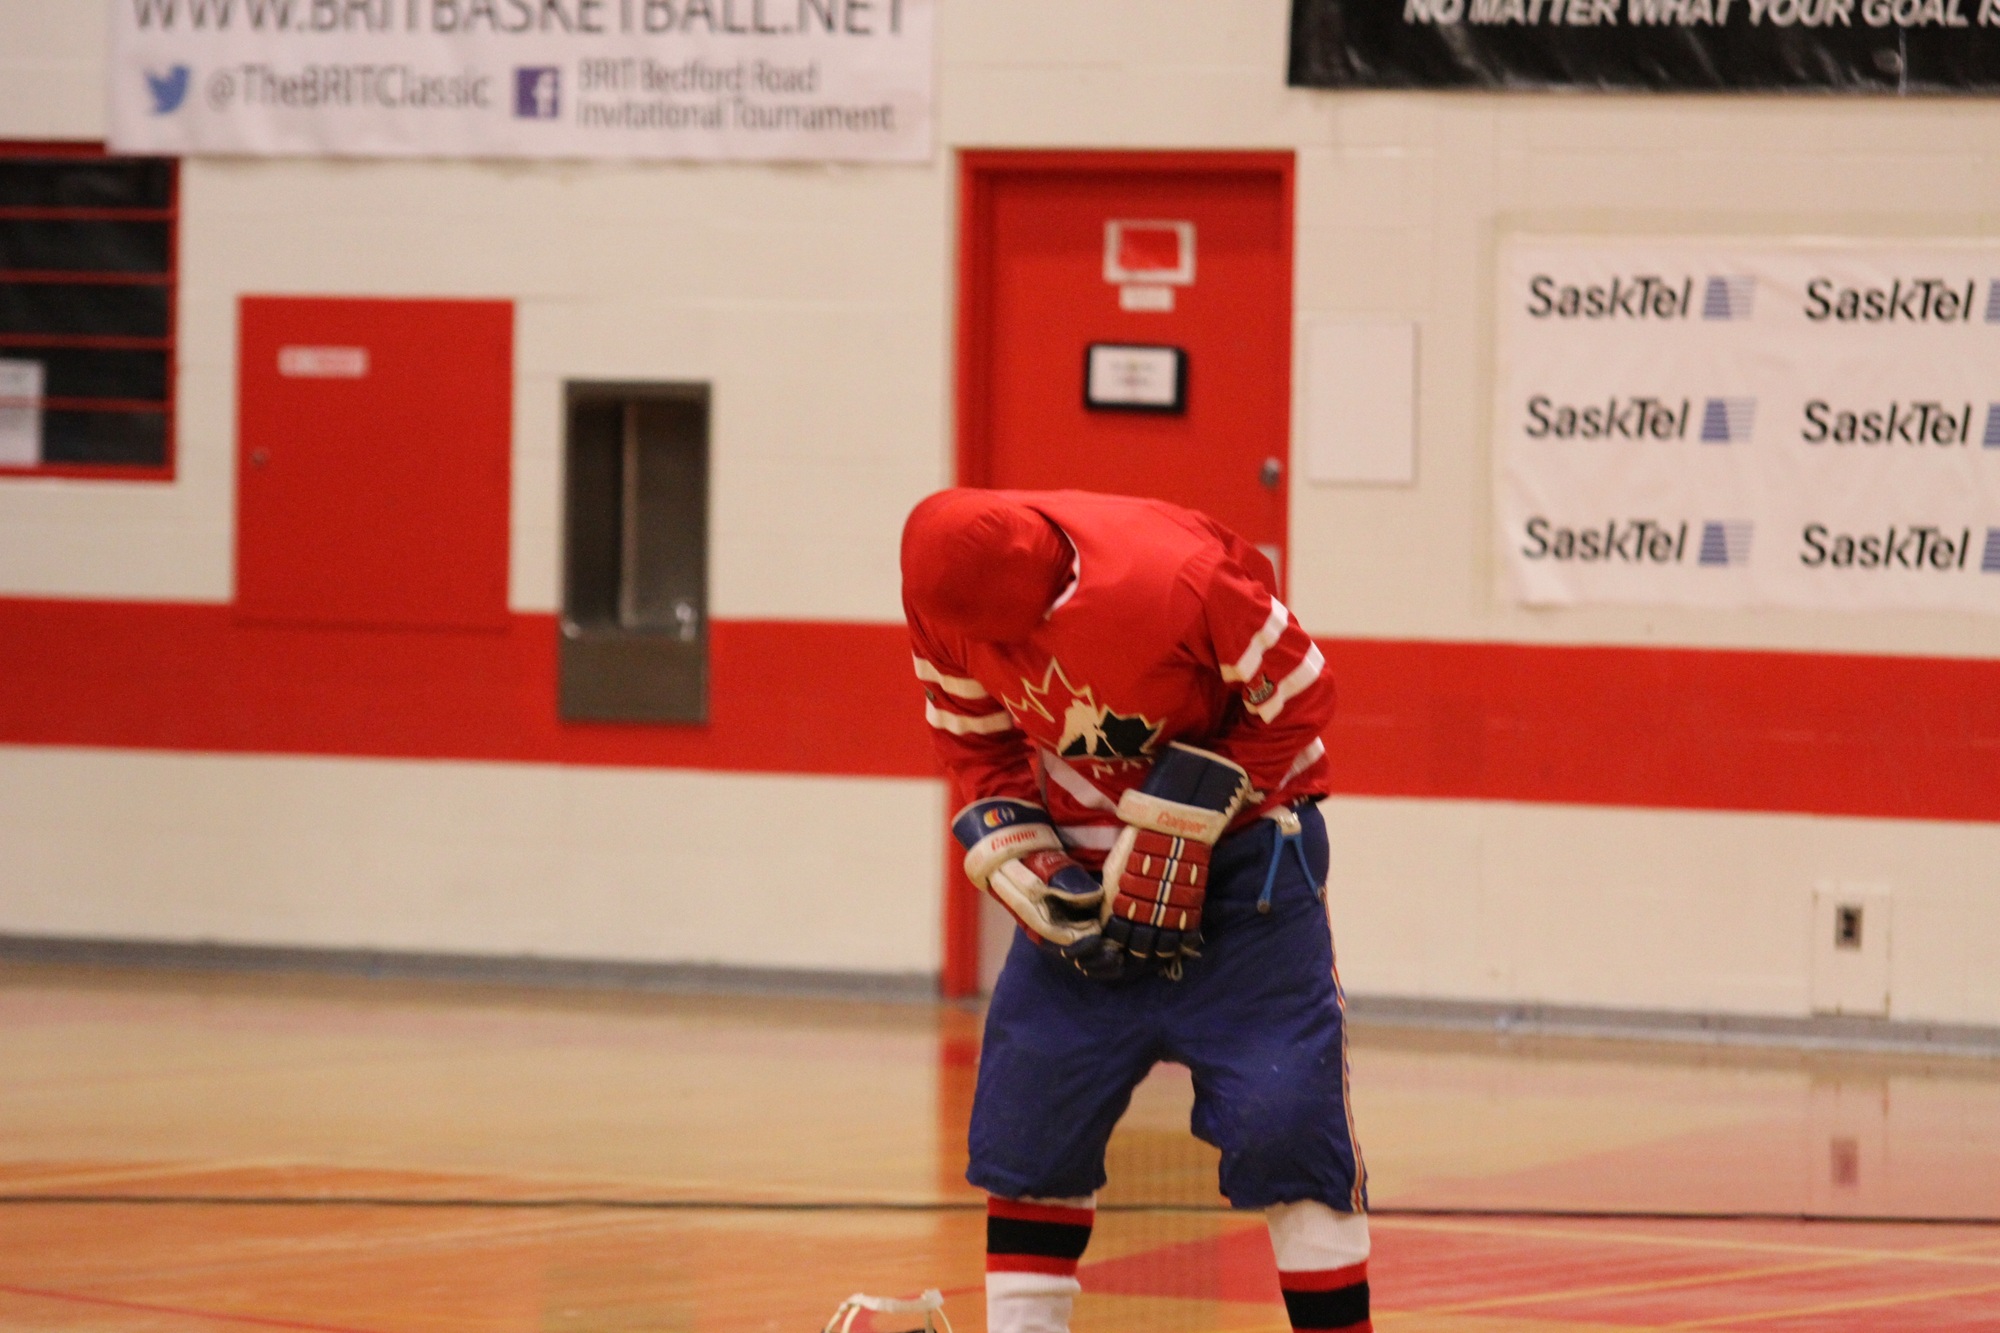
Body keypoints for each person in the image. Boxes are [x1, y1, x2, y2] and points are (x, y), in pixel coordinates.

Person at [901, 488, 1371, 1333]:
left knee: (1288, 1127)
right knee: (1029, 1117)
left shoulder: (1183, 577)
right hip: (1083, 880)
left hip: (1248, 879)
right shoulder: (940, 602)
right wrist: (1024, 851)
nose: (1011, 657)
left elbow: (1303, 693)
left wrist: (1185, 813)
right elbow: (974, 739)